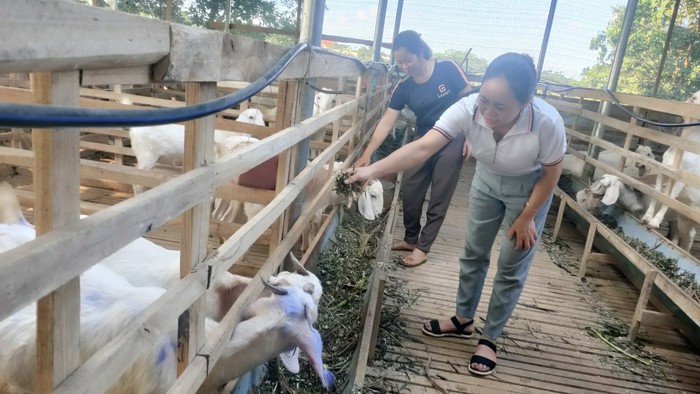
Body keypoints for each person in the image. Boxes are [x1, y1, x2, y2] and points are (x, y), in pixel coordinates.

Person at [346, 52, 566, 376]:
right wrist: (372, 170)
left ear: (526, 101)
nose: (488, 112)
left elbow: (551, 174)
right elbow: (423, 147)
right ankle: (463, 318)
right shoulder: (467, 108)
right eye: (485, 100)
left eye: (500, 107)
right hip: (486, 181)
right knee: (474, 251)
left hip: (529, 191)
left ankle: (489, 338)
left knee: (511, 262)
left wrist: (527, 216)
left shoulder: (547, 123)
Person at [355, 30, 472, 267]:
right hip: (424, 137)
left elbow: (471, 102)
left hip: (454, 137)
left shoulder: (448, 69)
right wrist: (367, 154)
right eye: (399, 62)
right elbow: (387, 121)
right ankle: (410, 238)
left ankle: (423, 247)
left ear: (421, 53)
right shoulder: (404, 86)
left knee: (440, 193)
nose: (404, 65)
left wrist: (471, 136)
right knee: (411, 188)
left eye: (408, 59)